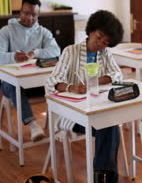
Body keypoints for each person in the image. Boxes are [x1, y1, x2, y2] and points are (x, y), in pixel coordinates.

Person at [46, 10, 123, 183]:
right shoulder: (70, 52)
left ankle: (101, 177)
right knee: (110, 126)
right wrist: (72, 87)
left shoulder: (105, 54)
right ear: (91, 30)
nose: (100, 44)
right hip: (71, 114)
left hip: (97, 110)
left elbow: (117, 75)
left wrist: (96, 80)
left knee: (109, 124)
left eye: (106, 42)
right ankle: (106, 178)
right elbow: (52, 82)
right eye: (99, 37)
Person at [0, 0, 60, 142]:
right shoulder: (7, 31)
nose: (29, 17)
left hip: (37, 83)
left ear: (38, 15)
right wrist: (13, 57)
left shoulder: (43, 32)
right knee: (11, 85)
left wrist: (35, 52)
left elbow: (56, 51)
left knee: (58, 82)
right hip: (11, 85)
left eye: (33, 15)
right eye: (26, 13)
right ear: (20, 12)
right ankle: (33, 125)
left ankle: (61, 126)